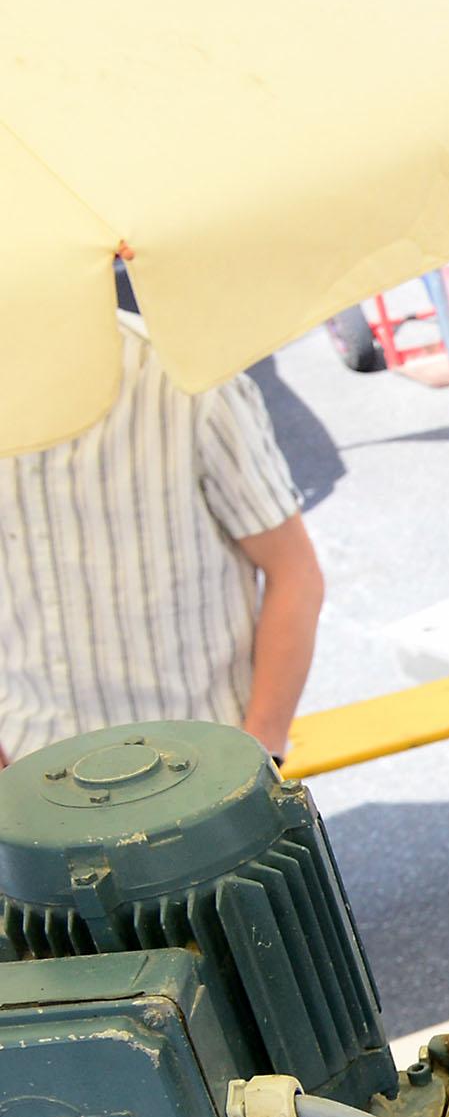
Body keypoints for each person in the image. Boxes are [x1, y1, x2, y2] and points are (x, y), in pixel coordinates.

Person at [0, 281, 321, 765]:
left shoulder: (184, 383)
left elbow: (294, 573)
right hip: (31, 757)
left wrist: (260, 752)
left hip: (197, 759)